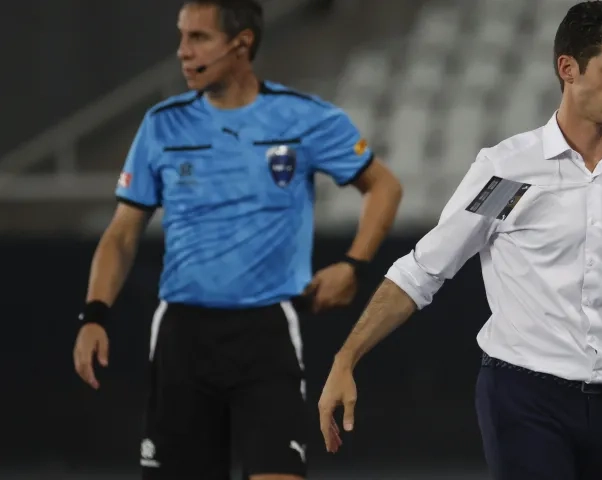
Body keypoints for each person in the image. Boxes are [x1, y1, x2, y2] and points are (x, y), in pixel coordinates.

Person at [317, 2, 602, 479]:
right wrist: (346, 358)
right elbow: (425, 269)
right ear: (567, 68)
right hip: (525, 398)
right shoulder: (510, 173)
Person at [71, 1, 403, 479]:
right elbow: (123, 233)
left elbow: (384, 186)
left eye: (198, 38)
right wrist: (94, 314)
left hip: (265, 335)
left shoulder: (303, 118)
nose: (183, 52)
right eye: (181, 37)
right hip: (183, 338)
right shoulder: (162, 124)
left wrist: (354, 264)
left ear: (242, 42)